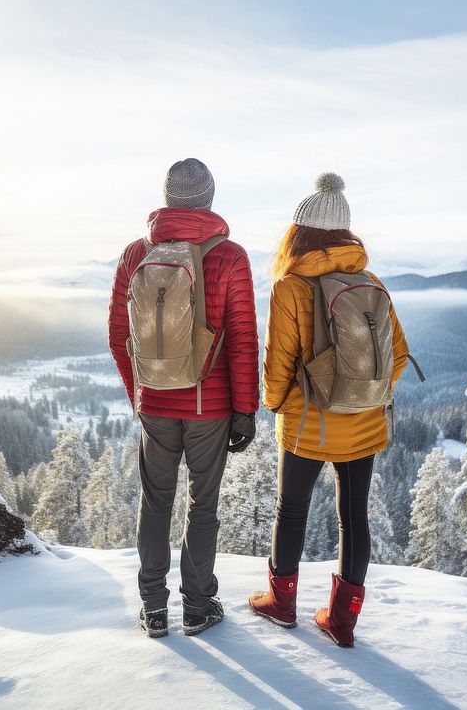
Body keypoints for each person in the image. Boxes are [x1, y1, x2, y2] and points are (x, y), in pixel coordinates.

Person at [248, 173, 409, 648]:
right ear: (345, 233)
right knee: (353, 515)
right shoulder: (370, 281)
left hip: (308, 421)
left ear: (299, 233)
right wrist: (364, 393)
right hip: (365, 421)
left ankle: (281, 603)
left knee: (291, 509)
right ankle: (342, 621)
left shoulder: (291, 286)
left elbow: (278, 361)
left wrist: (275, 404)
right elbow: (398, 355)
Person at [109, 158, 259, 638]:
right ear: (210, 199)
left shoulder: (137, 253)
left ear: (168, 197)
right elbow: (241, 338)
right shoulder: (229, 255)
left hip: (155, 403)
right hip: (208, 406)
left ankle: (154, 608)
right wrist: (245, 410)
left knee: (155, 503)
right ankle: (198, 607)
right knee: (203, 504)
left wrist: (140, 391)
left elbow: (119, 332)